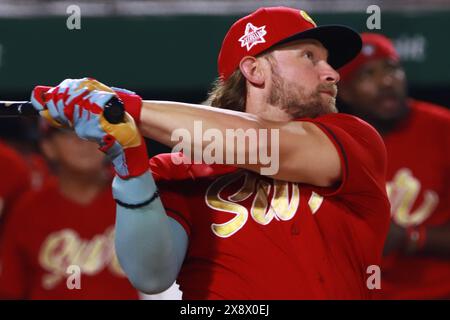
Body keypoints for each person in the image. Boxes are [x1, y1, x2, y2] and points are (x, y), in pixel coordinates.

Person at [29, 7, 390, 299]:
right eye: (310, 56)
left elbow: (264, 145)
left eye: (329, 62)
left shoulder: (354, 138)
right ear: (254, 70)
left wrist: (123, 107)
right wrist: (132, 167)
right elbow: (151, 276)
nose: (333, 74)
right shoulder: (177, 170)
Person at [337, 33, 450, 299]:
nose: (386, 81)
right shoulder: (331, 141)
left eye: (392, 69)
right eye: (367, 75)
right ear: (346, 92)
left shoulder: (443, 129)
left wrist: (412, 237)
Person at [0, 123, 139, 299]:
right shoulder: (27, 208)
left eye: (92, 130)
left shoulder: (138, 197)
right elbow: (9, 290)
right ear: (48, 147)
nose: (82, 140)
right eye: (68, 133)